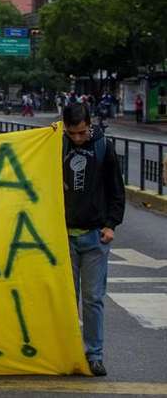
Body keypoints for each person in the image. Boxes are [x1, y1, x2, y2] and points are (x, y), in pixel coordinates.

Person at [62, 103, 125, 377]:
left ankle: (94, 355)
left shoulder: (103, 147)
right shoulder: (55, 145)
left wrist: (111, 225)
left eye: (82, 132)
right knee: (65, 299)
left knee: (93, 299)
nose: (77, 138)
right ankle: (67, 352)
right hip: (63, 236)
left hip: (95, 236)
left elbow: (116, 190)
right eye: (72, 133)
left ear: (90, 125)